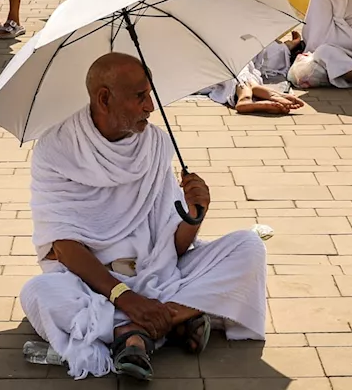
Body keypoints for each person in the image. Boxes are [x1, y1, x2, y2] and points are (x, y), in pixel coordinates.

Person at [19, 52, 268, 381]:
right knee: (39, 293)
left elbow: (172, 247)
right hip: (90, 282)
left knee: (248, 247)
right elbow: (63, 245)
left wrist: (194, 215)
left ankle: (139, 331)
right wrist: (126, 297)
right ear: (104, 98)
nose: (150, 106)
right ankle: (170, 320)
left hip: (157, 272)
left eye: (150, 94)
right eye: (140, 97)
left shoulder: (154, 145)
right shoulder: (56, 149)